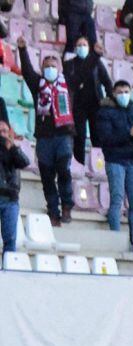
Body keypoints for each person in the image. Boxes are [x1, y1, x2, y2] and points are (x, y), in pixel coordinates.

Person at [18, 40, 75, 227]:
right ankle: (53, 211)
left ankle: (67, 204)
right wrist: (23, 49)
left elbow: (84, 71)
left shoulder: (68, 85)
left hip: (63, 136)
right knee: (47, 177)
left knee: (64, 171)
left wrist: (95, 55)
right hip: (44, 139)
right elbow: (26, 71)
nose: (50, 69)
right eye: (47, 66)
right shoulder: (38, 86)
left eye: (53, 66)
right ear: (42, 69)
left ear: (59, 69)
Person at [95, 80, 133, 245]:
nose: (123, 95)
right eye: (120, 92)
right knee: (117, 199)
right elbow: (106, 139)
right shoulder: (105, 112)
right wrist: (129, 134)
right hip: (115, 160)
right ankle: (116, 239)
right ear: (113, 93)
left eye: (126, 91)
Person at [63, 38, 112, 166]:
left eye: (84, 44)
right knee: (79, 137)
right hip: (78, 105)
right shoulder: (69, 64)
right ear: (75, 48)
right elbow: (68, 82)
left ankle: (99, 165)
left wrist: (110, 98)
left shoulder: (97, 63)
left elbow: (106, 81)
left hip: (95, 103)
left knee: (97, 136)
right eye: (79, 45)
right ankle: (79, 164)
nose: (81, 47)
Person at [0, 121, 30, 254]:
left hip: (11, 199)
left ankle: (8, 269)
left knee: (10, 239)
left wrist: (12, 147)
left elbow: (24, 162)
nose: (3, 135)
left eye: (5, 131)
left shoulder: (13, 149)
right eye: (0, 132)